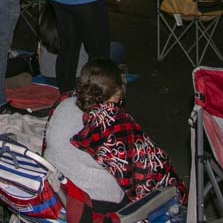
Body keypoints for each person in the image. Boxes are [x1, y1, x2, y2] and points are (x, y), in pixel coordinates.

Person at [66, 59, 187, 215]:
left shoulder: (65, 104)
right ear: (117, 94)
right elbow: (136, 175)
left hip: (67, 189)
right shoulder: (117, 125)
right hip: (103, 199)